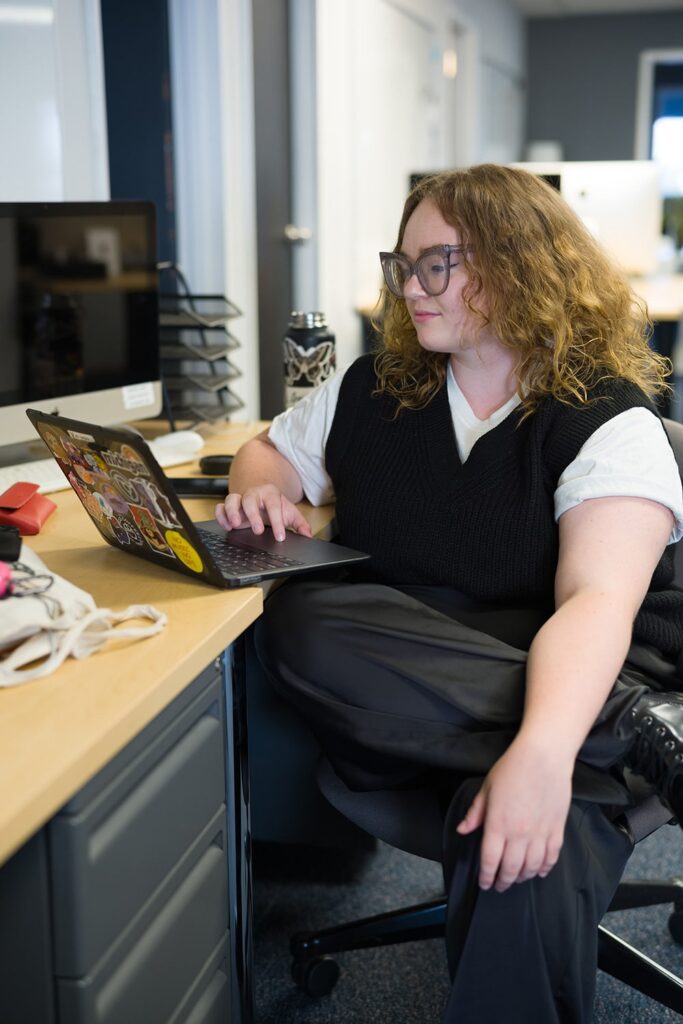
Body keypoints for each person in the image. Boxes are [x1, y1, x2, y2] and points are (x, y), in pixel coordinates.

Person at [216, 163, 683, 1023]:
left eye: (438, 263)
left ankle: (583, 748)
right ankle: (627, 738)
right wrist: (267, 489)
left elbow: (594, 606)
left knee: (522, 827)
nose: (409, 288)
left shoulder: (606, 419)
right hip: (413, 687)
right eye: (403, 264)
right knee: (303, 616)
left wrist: (541, 755)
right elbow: (266, 450)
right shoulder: (371, 387)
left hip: (574, 659)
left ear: (517, 266)